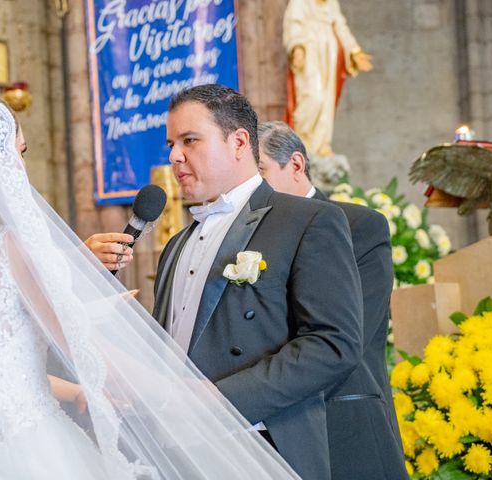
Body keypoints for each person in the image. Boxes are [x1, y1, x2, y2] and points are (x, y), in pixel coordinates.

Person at [0, 87, 301, 479]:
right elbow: (94, 354)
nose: (20, 169)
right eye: (20, 152)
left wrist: (71, 390)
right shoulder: (6, 247)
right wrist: (195, 395)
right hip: (27, 455)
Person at [153, 84, 364, 479]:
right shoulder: (176, 245)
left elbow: (334, 344)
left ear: (238, 142)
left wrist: (218, 400)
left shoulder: (306, 221)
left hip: (261, 444)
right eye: (171, 144)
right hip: (175, 447)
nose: (174, 156)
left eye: (189, 141)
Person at [257, 120, 409, 480]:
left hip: (343, 423)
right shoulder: (249, 237)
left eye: (259, 171)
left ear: (295, 164)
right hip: (268, 431)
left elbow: (349, 333)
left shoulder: (357, 225)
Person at [283, 0, 373, 157]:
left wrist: (354, 51)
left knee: (326, 100)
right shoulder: (300, 2)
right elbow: (293, 24)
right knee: (313, 96)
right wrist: (297, 47)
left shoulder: (331, 4)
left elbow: (341, 28)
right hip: (309, 51)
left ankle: (322, 143)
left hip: (329, 54)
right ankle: (303, 139)